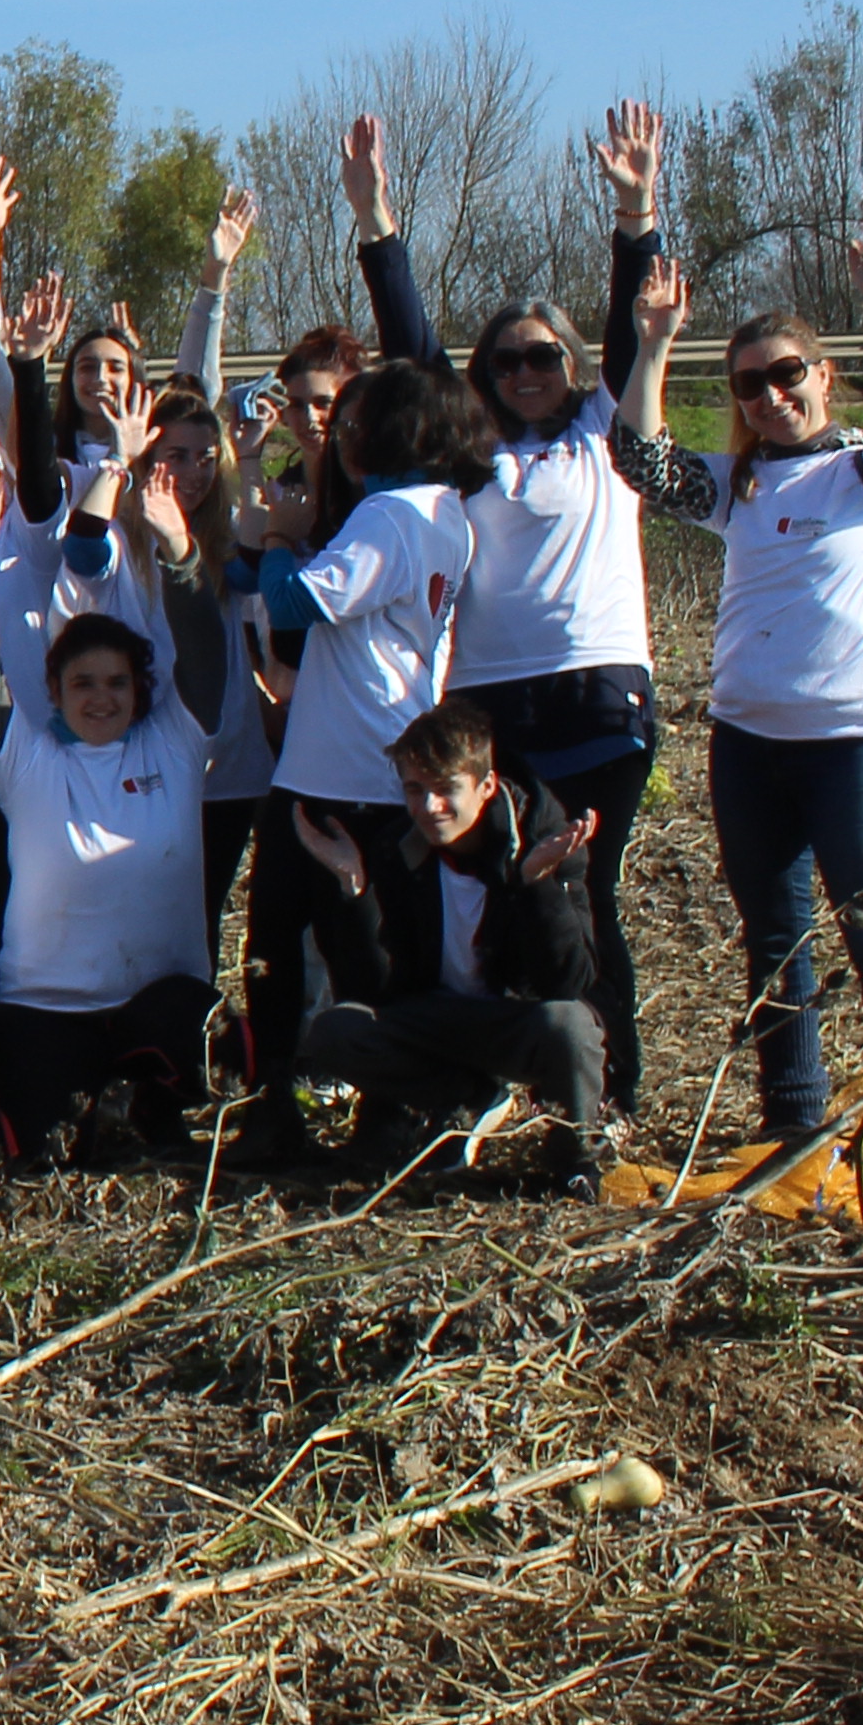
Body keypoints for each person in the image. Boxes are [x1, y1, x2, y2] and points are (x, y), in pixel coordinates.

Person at [347, 100, 675, 1111]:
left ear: (571, 368)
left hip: (598, 704)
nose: (525, 373)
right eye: (507, 362)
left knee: (585, 884)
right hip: (495, 710)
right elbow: (414, 345)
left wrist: (637, 215)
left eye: (543, 358)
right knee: (492, 882)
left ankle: (607, 1088)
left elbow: (631, 332)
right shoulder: (471, 453)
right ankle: (489, 1070)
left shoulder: (606, 433)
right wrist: (376, 221)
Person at [610, 212, 863, 1143]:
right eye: (750, 385)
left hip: (858, 747)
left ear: (824, 377)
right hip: (750, 749)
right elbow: (639, 460)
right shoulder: (739, 486)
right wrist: (652, 347)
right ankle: (792, 1122)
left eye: (787, 375)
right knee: (776, 948)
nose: (770, 397)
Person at [0, 449, 232, 1160]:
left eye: (115, 683)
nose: (101, 698)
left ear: (140, 689)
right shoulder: (27, 760)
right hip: (47, 1006)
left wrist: (178, 548)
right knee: (41, 1153)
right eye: (83, 685)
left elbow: (204, 653)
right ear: (56, 692)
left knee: (192, 1064)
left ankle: (147, 1104)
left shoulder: (176, 742)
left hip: (156, 1001)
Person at [234, 354, 488, 1098]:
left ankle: (292, 1095)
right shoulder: (445, 512)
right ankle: (376, 1098)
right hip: (367, 749)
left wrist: (281, 537)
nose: (342, 437)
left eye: (354, 423)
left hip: (342, 764)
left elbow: (294, 605)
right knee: (362, 943)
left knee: (296, 941)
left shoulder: (391, 514)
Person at [287, 703, 610, 1159]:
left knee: (572, 1026)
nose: (429, 807)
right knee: (335, 1031)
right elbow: (375, 991)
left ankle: (574, 1154)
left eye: (445, 789)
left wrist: (535, 885)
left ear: (486, 786)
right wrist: (355, 890)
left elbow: (568, 981)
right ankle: (465, 1098)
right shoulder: (396, 849)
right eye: (415, 790)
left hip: (514, 1022)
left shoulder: (544, 838)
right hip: (434, 1020)